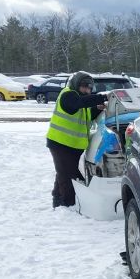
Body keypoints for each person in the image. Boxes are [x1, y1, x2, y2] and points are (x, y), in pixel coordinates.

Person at [46, 71, 108, 208]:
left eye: (90, 88)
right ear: (76, 84)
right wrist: (101, 98)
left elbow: (87, 116)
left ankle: (58, 201)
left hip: (72, 146)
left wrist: (97, 109)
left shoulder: (80, 100)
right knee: (71, 176)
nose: (87, 90)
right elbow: (78, 103)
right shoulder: (68, 95)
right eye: (84, 86)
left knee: (63, 173)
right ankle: (69, 204)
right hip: (60, 144)